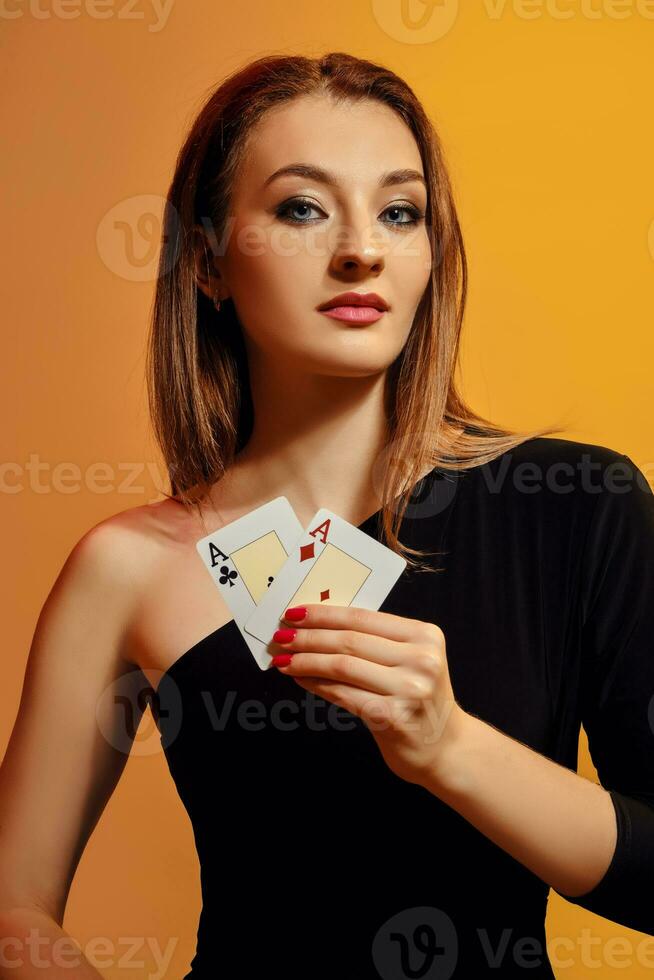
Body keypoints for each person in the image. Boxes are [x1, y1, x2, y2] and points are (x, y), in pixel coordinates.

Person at [1, 51, 652, 979]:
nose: (363, 250)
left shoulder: (581, 505)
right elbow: (11, 908)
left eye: (401, 211)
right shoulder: (128, 565)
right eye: (302, 207)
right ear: (211, 261)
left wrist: (449, 745)